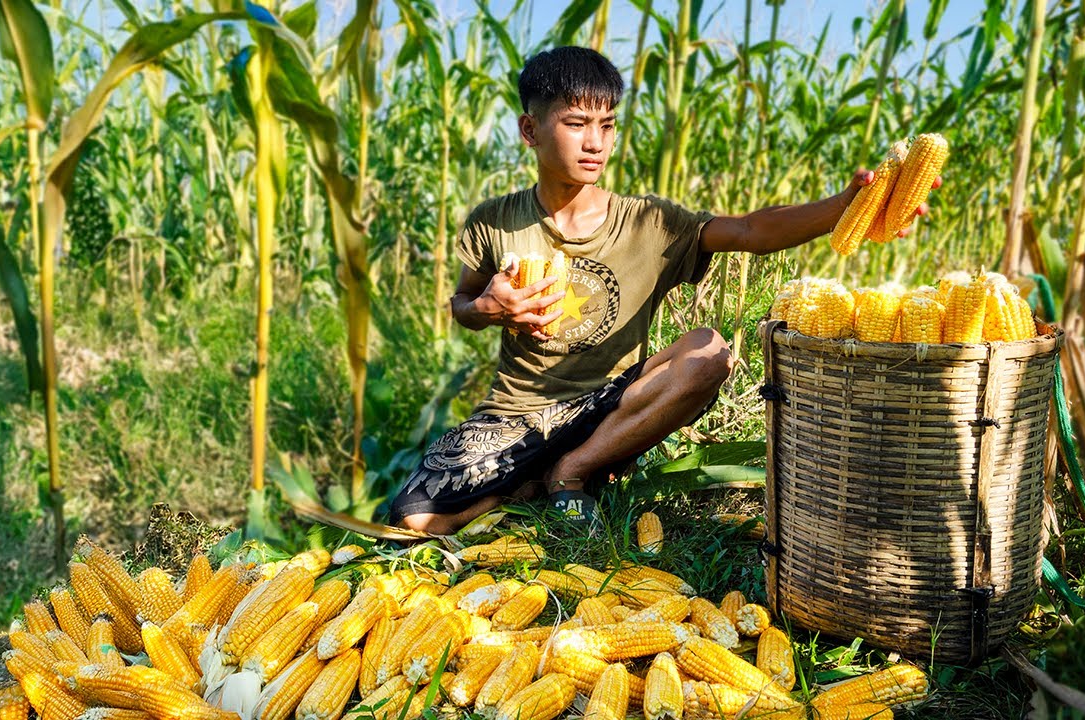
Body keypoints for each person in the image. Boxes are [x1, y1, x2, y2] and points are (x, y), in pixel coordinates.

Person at [388, 46, 935, 535]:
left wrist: (846, 205)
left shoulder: (649, 222)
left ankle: (571, 472)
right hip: (516, 414)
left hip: (610, 405)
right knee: (414, 517)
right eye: (577, 124)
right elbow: (462, 304)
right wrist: (485, 307)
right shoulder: (495, 221)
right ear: (530, 130)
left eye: (607, 125)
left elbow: (750, 230)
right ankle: (525, 486)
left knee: (709, 353)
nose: (595, 142)